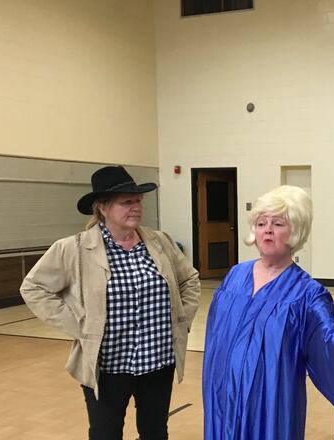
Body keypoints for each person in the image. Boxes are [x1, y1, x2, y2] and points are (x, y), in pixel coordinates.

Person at [202, 185, 334, 440]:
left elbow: (328, 333)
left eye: (277, 223)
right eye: (261, 223)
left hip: (269, 399)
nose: (267, 229)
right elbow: (216, 336)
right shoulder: (235, 276)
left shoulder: (306, 292)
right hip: (223, 391)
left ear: (295, 232)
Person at [20, 165, 201, 440]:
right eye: (126, 202)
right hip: (108, 367)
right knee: (105, 433)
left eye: (138, 200)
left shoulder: (159, 242)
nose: (136, 207)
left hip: (158, 361)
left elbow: (189, 280)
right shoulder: (74, 248)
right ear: (102, 207)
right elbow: (34, 287)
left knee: (155, 432)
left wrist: (182, 320)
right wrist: (80, 325)